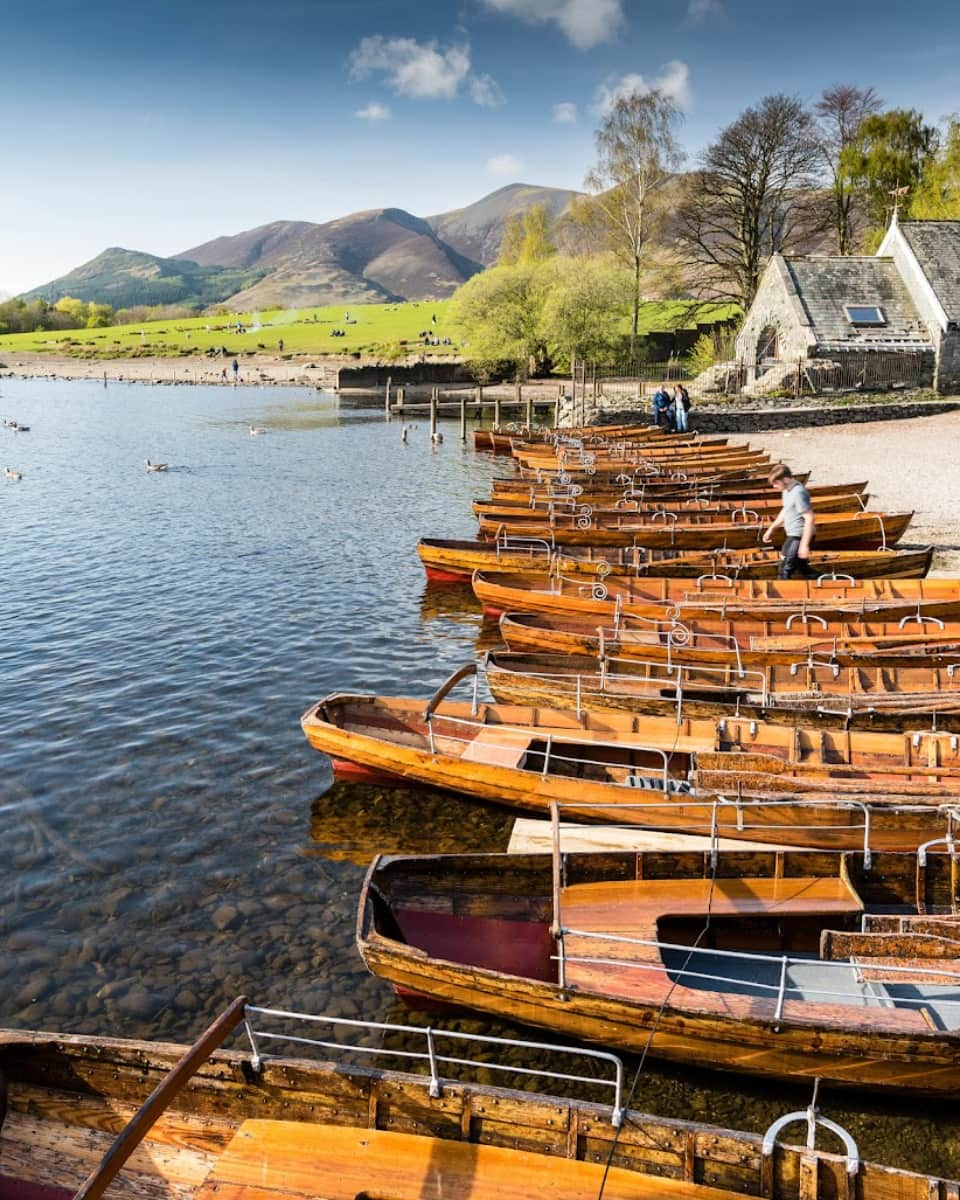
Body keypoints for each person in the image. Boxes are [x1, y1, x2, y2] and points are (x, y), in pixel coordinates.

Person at [763, 463, 816, 579]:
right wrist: (771, 529)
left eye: (776, 483)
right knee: (802, 569)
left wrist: (804, 545)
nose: (774, 487)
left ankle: (781, 595)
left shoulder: (798, 493)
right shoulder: (786, 490)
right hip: (793, 536)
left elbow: (810, 518)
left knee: (784, 570)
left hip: (799, 537)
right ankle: (828, 582)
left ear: (785, 479)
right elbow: (785, 511)